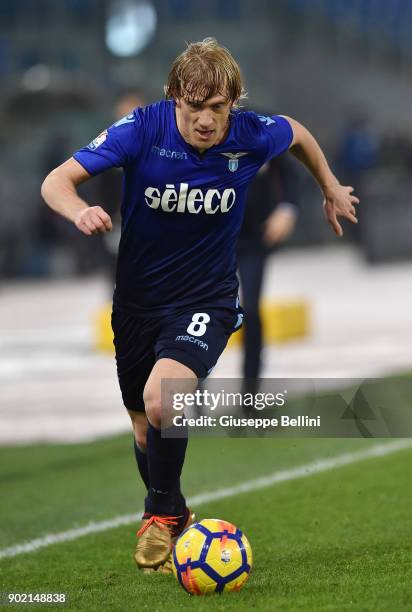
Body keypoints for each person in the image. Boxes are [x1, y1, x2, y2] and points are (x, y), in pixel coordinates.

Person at [41, 37, 359, 573]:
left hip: (206, 300)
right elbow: (57, 181)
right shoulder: (141, 128)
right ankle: (177, 511)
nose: (208, 122)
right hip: (138, 303)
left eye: (218, 109)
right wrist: (77, 212)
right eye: (195, 109)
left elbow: (297, 133)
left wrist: (329, 186)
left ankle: (159, 515)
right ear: (173, 99)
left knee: (164, 400)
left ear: (233, 102)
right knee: (144, 426)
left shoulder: (252, 133)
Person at [237, 150, 299, 405]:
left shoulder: (258, 129)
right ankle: (195, 390)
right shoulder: (192, 127)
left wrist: (287, 209)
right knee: (205, 308)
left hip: (253, 236)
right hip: (210, 238)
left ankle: (250, 392)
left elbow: (290, 170)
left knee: (251, 309)